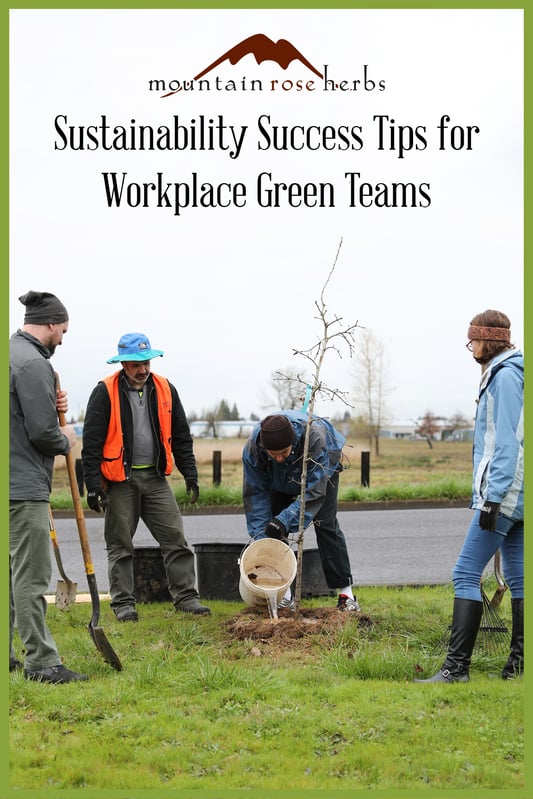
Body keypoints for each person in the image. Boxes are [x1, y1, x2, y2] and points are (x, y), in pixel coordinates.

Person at [416, 310, 524, 683]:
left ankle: (456, 668)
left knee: (464, 573)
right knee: (520, 578)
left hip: (505, 492)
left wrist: (492, 498)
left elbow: (506, 442)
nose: (471, 348)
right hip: (519, 492)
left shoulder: (505, 378)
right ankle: (519, 666)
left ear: (488, 339)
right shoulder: (511, 374)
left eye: (473, 340)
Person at [81, 332, 210, 621]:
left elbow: (181, 435)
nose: (143, 369)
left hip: (155, 479)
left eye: (146, 362)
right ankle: (124, 604)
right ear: (123, 363)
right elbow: (91, 443)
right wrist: (92, 485)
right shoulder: (104, 391)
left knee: (175, 539)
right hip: (119, 482)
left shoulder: (165, 388)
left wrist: (189, 472)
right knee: (120, 545)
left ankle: (187, 598)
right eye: (136, 364)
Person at [10, 290, 89, 684]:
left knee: (10, 573)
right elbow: (43, 433)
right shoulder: (33, 364)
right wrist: (67, 437)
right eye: (63, 331)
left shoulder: (12, 354)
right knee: (30, 576)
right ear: (52, 324)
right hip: (22, 487)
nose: (62, 339)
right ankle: (41, 662)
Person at [242, 410, 360, 611]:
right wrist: (263, 534)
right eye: (273, 454)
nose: (278, 458)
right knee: (271, 530)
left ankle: (346, 594)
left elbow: (313, 493)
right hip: (277, 480)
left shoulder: (315, 439)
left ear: (293, 445)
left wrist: (285, 520)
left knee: (326, 524)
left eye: (283, 453)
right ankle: (284, 596)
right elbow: (255, 493)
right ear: (264, 447)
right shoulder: (254, 447)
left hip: (322, 471)